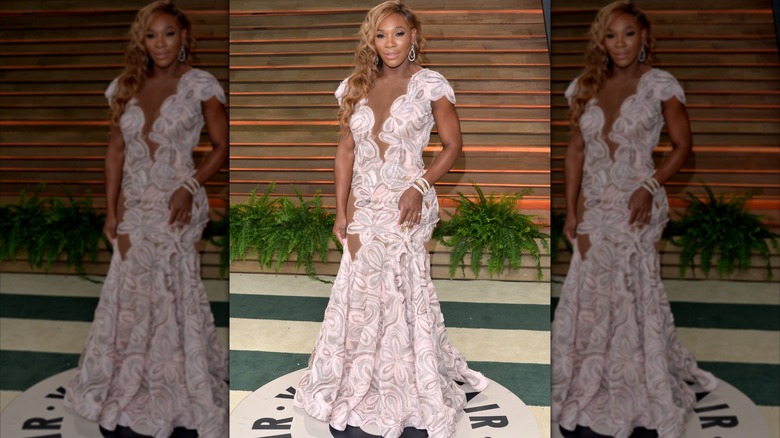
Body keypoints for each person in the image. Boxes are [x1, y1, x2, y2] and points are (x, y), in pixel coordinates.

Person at [293, 1, 487, 437]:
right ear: (371, 41)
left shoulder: (430, 84)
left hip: (407, 201)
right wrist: (340, 209)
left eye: (399, 33)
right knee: (359, 287)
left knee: (397, 285)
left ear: (413, 35)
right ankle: (356, 378)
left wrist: (419, 187)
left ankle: (404, 382)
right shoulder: (355, 86)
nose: (391, 43)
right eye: (381, 35)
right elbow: (346, 151)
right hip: (364, 204)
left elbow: (453, 146)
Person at [551, 2, 717, 438]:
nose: (620, 43)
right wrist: (571, 210)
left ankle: (634, 386)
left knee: (628, 293)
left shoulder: (660, 85)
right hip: (592, 209)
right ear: (600, 41)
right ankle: (587, 379)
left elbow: (683, 146)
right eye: (610, 35)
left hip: (634, 207)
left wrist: (649, 184)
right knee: (588, 294)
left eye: (628, 33)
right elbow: (576, 152)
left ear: (643, 36)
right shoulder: (584, 86)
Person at [64, 2, 229, 437]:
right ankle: (124, 379)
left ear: (183, 38)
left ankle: (171, 384)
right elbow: (115, 152)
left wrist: (190, 187)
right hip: (135, 206)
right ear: (142, 40)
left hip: (178, 201)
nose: (160, 43)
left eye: (168, 34)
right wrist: (112, 210)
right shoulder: (124, 86)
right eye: (151, 35)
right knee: (127, 288)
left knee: (170, 285)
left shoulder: (201, 85)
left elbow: (220, 147)